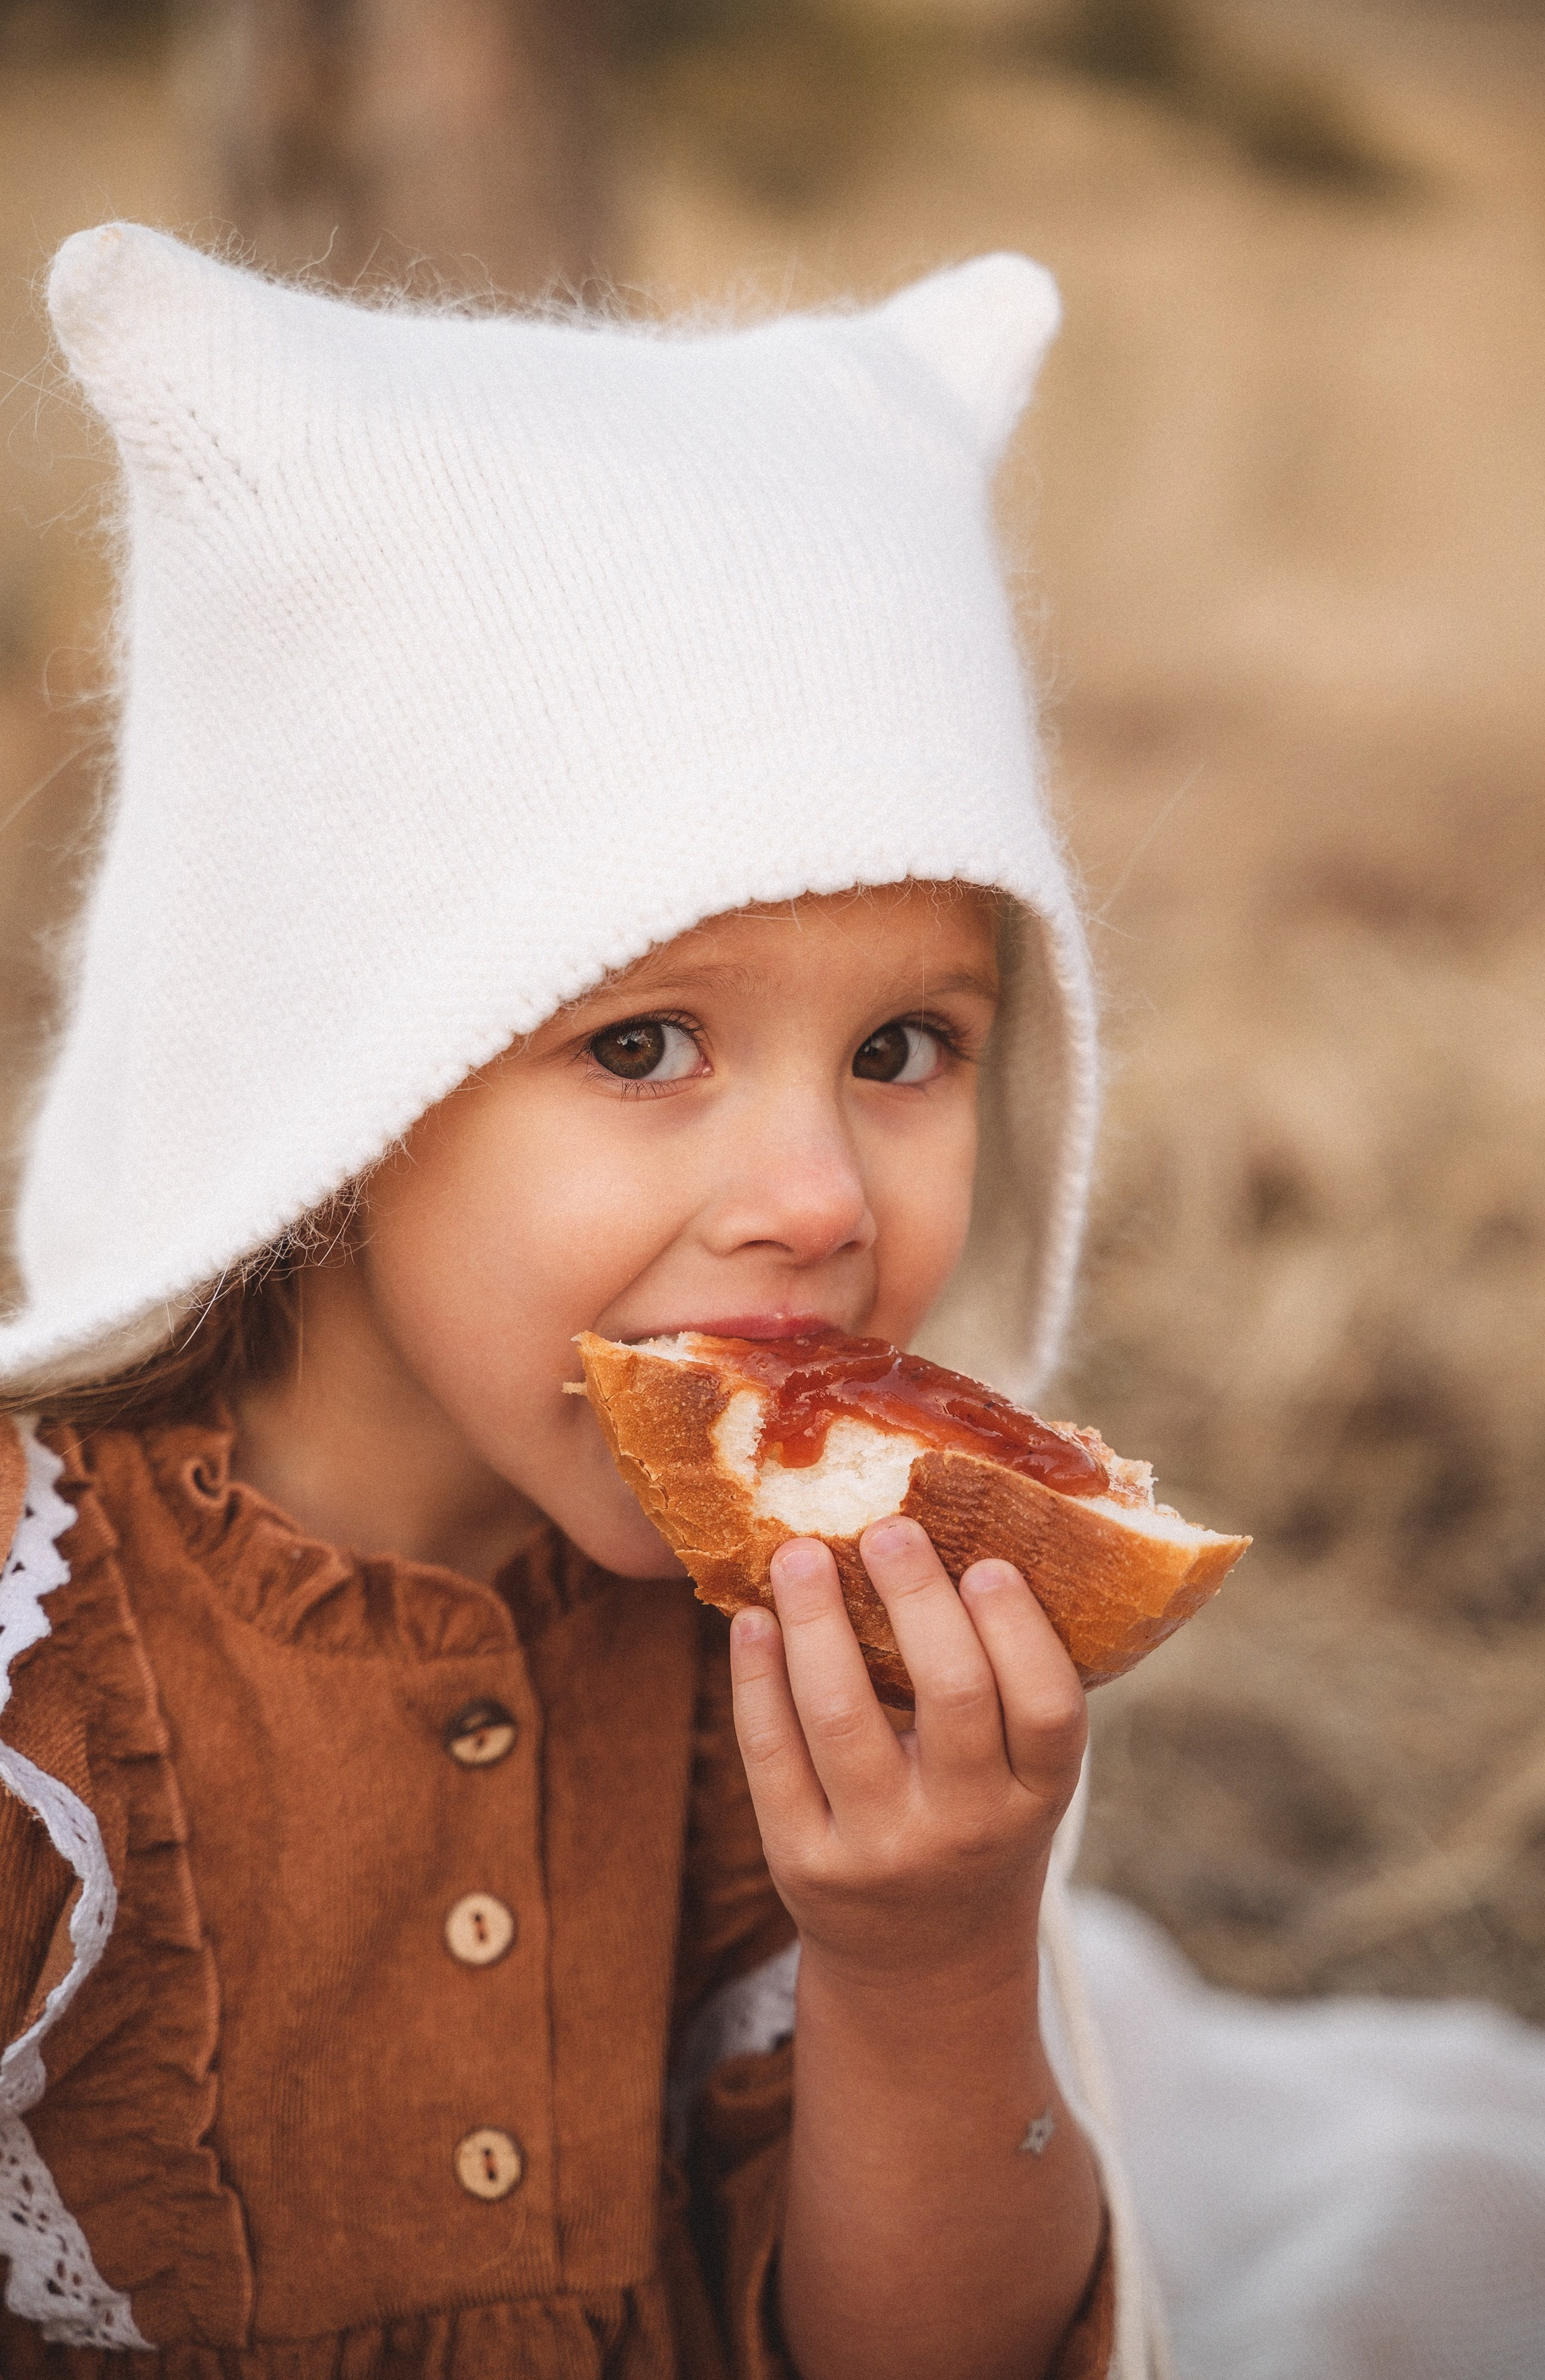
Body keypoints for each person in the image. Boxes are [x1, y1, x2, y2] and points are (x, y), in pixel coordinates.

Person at [0, 225, 1142, 2380]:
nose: (816, 1202)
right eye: (642, 1046)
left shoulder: (787, 1674)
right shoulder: (28, 1673)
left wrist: (927, 1957)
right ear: (336, 1062)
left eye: (906, 1048)